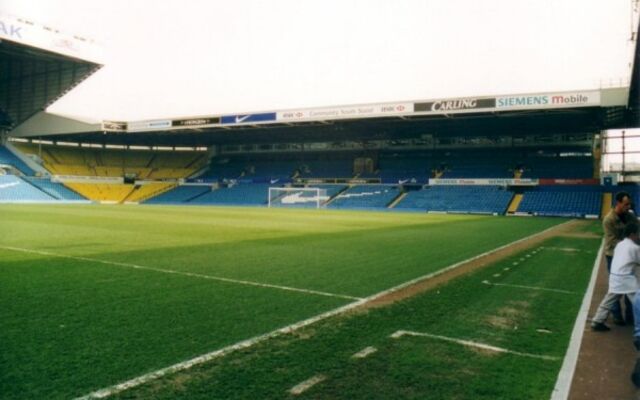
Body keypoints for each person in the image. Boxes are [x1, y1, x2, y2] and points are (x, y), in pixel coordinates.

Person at [591, 221, 640, 331]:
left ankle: (597, 321)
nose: (638, 236)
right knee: (638, 301)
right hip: (626, 279)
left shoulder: (620, 244)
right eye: (637, 233)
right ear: (632, 234)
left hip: (615, 277)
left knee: (608, 300)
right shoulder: (634, 248)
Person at [603, 191, 637, 324]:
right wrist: (630, 244)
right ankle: (616, 315)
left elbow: (636, 230)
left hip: (628, 256)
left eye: (629, 204)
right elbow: (612, 241)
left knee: (630, 284)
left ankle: (630, 315)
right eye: (625, 204)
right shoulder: (609, 220)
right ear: (618, 203)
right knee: (616, 287)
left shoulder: (630, 217)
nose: (628, 207)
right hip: (614, 256)